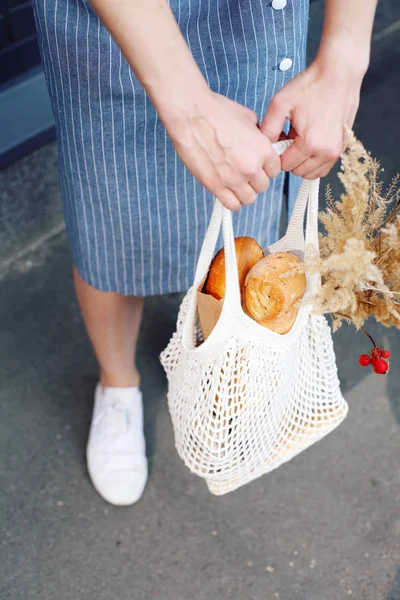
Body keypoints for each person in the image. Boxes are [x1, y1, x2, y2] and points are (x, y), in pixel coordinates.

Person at [32, 0, 377, 506]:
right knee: (112, 229)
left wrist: (344, 57)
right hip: (122, 37)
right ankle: (118, 384)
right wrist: (187, 105)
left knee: (248, 250)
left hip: (256, 27)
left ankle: (228, 382)